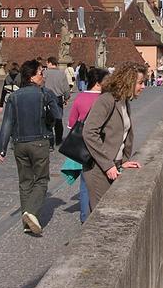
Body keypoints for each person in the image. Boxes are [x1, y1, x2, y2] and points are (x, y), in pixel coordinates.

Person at [0, 60, 62, 236]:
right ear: (32, 77)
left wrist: (1, 149)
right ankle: (31, 212)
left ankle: (27, 224)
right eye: (41, 73)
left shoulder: (13, 97)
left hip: (19, 144)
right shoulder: (45, 94)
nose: (43, 76)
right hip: (39, 142)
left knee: (25, 182)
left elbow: (7, 124)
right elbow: (57, 115)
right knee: (41, 180)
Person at [82, 62, 146, 212]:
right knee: (101, 216)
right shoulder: (106, 100)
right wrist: (108, 164)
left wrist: (122, 161)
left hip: (113, 166)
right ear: (128, 81)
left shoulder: (124, 101)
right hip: (98, 169)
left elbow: (120, 136)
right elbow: (89, 132)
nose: (143, 87)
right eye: (140, 83)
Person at [61, 67, 109, 223]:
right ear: (97, 83)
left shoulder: (80, 98)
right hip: (101, 146)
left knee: (84, 183)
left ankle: (84, 217)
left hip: (83, 147)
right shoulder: (105, 100)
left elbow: (71, 124)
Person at [43, 56, 70, 146]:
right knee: (58, 120)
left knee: (47, 120)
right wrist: (66, 98)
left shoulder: (44, 73)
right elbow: (66, 88)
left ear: (50, 63)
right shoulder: (62, 74)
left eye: (47, 63)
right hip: (58, 98)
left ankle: (49, 141)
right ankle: (58, 140)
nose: (46, 64)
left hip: (46, 98)